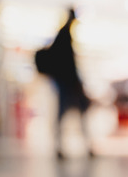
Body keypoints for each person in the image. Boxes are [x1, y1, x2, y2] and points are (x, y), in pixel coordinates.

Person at [36, 8, 92, 158]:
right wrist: (77, 83)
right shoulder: (65, 35)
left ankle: (64, 147)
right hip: (69, 83)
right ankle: (66, 147)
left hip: (65, 82)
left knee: (66, 114)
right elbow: (69, 64)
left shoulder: (62, 34)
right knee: (76, 113)